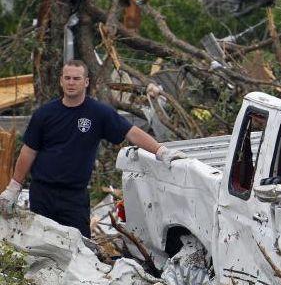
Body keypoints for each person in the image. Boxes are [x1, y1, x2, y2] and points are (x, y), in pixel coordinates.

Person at [0, 60, 185, 238]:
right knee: (40, 247)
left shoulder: (98, 113)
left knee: (80, 251)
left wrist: (161, 151)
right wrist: (14, 187)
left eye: (76, 78)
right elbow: (28, 151)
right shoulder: (45, 114)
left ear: (86, 82)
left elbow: (131, 132)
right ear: (61, 81)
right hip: (42, 194)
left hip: (74, 196)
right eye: (67, 78)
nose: (71, 82)